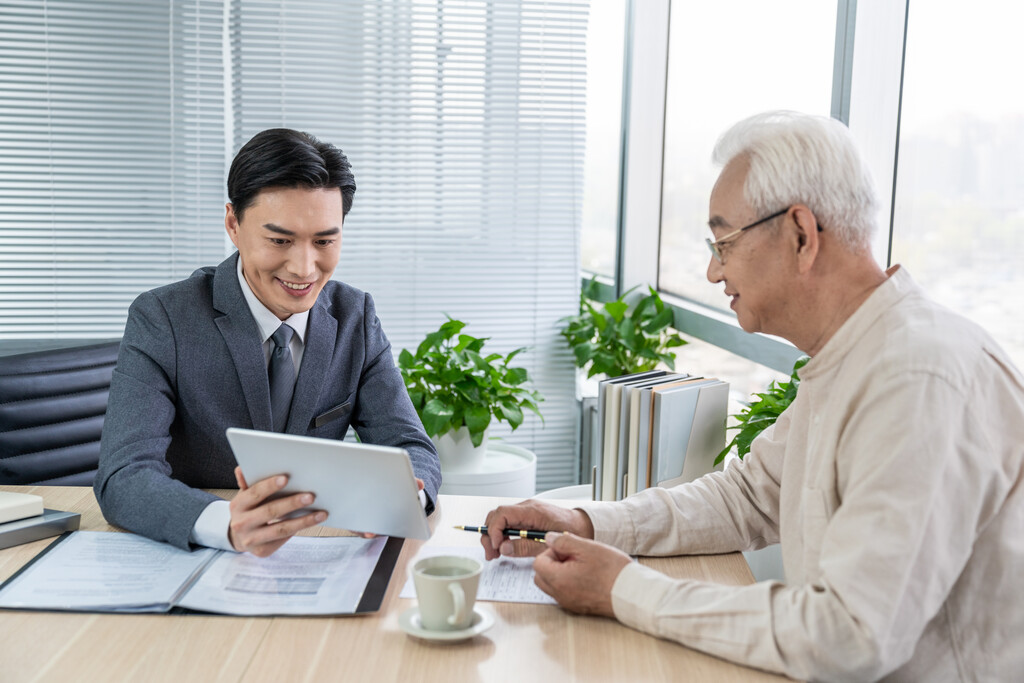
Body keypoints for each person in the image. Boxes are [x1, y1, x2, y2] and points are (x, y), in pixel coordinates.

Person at [482, 111, 1024, 681]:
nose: (714, 272)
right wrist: (582, 521)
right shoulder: (856, 355)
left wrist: (624, 589)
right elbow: (748, 496)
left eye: (724, 243)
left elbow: (850, 635)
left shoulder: (916, 378)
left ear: (800, 235)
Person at [95, 128, 441, 557]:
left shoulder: (356, 316)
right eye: (279, 240)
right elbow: (123, 476)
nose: (304, 267)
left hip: (317, 551)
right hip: (196, 555)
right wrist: (224, 523)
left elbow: (410, 446)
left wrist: (406, 498)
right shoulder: (163, 318)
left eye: (324, 241)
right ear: (233, 225)